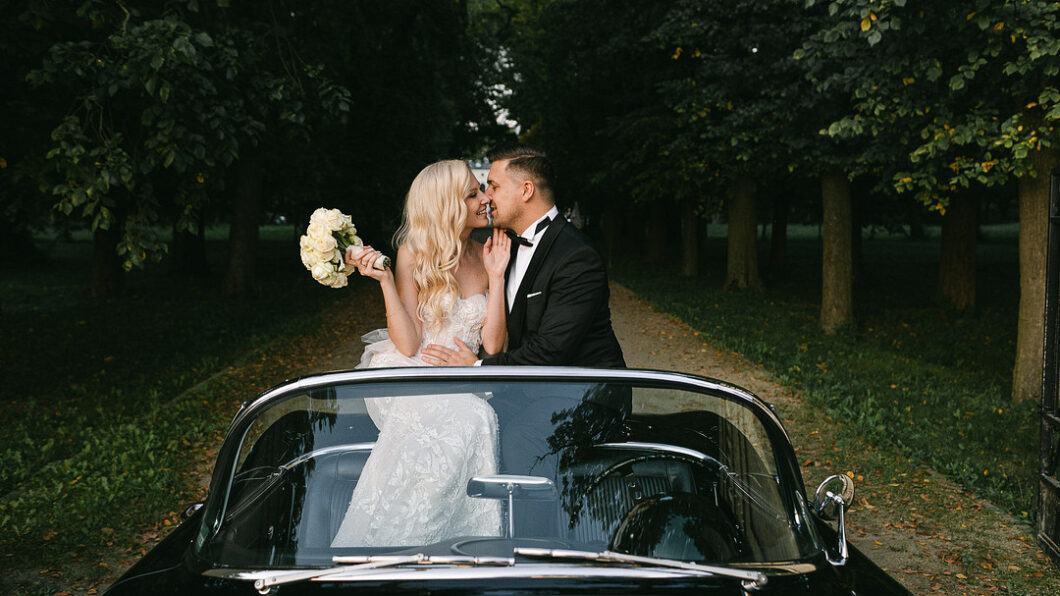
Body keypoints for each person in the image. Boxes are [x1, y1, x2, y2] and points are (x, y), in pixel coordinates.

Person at [420, 146, 626, 536]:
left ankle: (532, 550)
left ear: (526, 190)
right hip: (528, 387)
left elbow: (551, 352)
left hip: (585, 394)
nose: (487, 197)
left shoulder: (576, 257)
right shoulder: (501, 244)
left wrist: (478, 369)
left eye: (493, 186)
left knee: (519, 437)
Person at [330, 159, 511, 547]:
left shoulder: (486, 253)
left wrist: (496, 278)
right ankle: (399, 541)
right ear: (447, 205)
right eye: (473, 194)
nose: (485, 200)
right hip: (416, 366)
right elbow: (409, 344)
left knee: (477, 416)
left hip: (465, 373)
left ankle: (458, 544)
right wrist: (384, 282)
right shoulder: (413, 253)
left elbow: (494, 346)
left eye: (482, 190)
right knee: (459, 416)